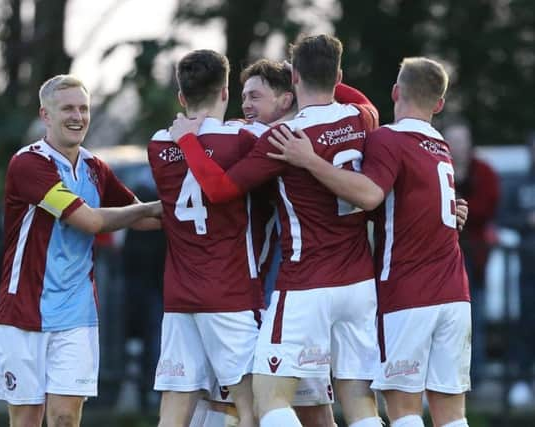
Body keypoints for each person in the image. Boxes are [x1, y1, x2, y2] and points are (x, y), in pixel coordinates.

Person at [170, 34, 382, 427]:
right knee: (357, 401)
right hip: (359, 283)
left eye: (256, 97)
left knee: (267, 400)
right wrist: (312, 75)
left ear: (293, 83)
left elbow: (218, 189)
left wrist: (187, 141)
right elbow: (363, 101)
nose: (246, 106)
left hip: (306, 285)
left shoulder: (282, 139)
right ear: (337, 74)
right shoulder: (359, 117)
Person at [267, 57, 471, 427]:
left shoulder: (388, 138)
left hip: (410, 293)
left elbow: (370, 195)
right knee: (452, 416)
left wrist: (310, 160)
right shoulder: (439, 144)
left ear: (396, 92)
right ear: (438, 104)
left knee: (404, 410)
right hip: (455, 295)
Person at [0, 74, 162, 427]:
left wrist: (188, 209)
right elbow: (91, 221)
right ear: (45, 115)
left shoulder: (95, 168)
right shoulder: (29, 164)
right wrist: (151, 208)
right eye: (67, 108)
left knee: (66, 418)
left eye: (83, 109)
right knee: (26, 420)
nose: (77, 117)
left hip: (77, 315)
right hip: (24, 313)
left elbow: (141, 219)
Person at [148, 49, 268, 427]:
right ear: (225, 91)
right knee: (251, 404)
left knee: (175, 406)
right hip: (229, 291)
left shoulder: (157, 144)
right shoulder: (245, 138)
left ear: (181, 98)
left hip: (180, 295)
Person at [442, 120, 500, 388]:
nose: (459, 147)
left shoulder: (484, 171)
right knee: (446, 326)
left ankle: (475, 381)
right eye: (453, 141)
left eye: (462, 141)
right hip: (443, 262)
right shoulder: (438, 168)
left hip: (474, 262)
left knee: (476, 321)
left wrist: (455, 208)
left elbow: (486, 207)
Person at [501, 131, 535, 404]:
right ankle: (523, 380)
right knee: (525, 325)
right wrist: (527, 220)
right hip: (527, 270)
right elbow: (503, 217)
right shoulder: (519, 184)